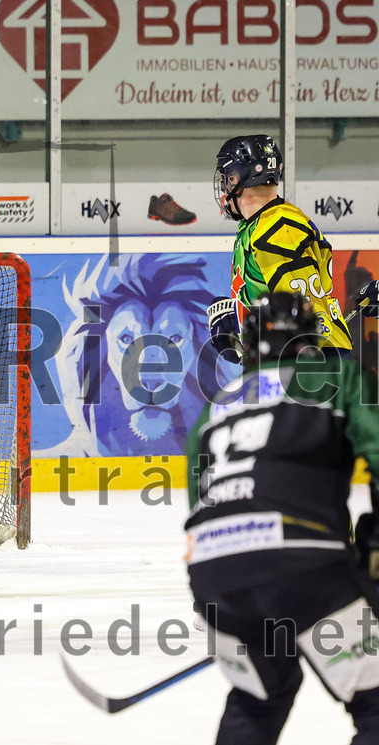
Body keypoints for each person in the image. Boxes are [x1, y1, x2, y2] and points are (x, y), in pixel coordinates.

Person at [186, 290, 379, 744]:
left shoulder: (215, 407)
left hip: (216, 577)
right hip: (304, 566)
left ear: (248, 349)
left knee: (260, 698)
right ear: (310, 341)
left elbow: (201, 503)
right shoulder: (339, 378)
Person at [207, 134, 352, 366]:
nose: (224, 187)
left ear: (236, 179)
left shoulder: (276, 229)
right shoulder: (262, 223)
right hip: (293, 357)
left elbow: (297, 317)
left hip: (310, 362)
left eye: (227, 178)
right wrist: (238, 316)